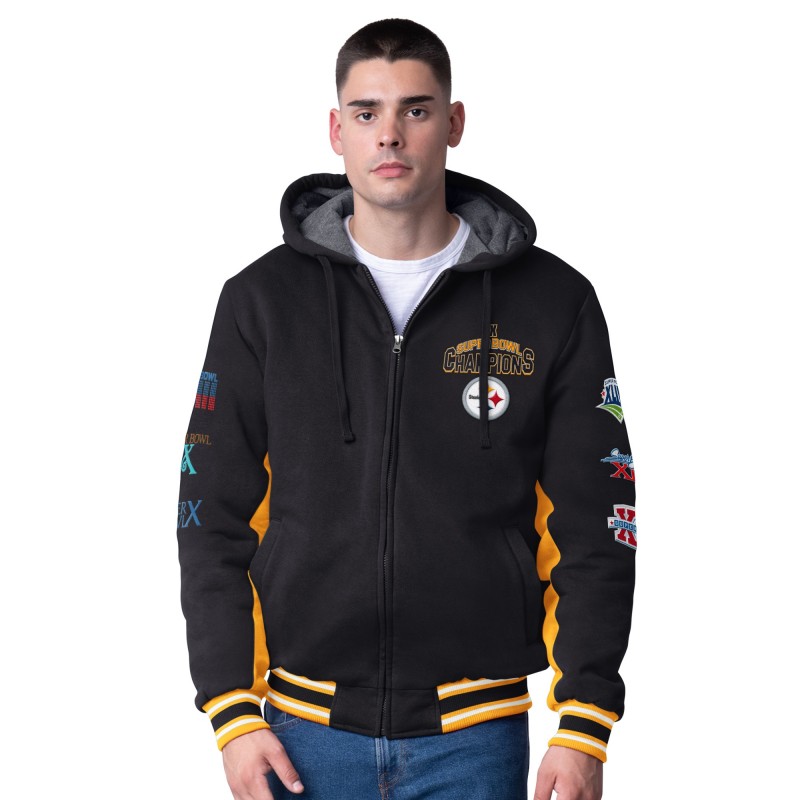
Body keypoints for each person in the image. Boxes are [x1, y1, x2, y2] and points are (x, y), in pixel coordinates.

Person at [177, 17, 636, 800]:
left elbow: (596, 521)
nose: (389, 134)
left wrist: (585, 720)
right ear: (337, 131)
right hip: (298, 736)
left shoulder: (553, 303)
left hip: (477, 738)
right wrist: (231, 710)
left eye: (415, 110)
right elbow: (210, 514)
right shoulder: (261, 303)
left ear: (453, 123)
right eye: (367, 113)